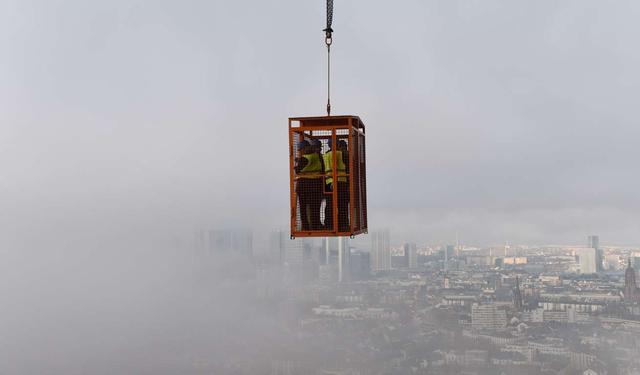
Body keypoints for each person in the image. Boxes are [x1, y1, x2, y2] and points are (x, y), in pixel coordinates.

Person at [294, 140, 323, 231]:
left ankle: (306, 227)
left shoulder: (305, 158)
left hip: (304, 186)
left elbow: (297, 170)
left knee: (303, 208)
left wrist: (296, 163)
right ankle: (315, 225)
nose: (299, 151)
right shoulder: (317, 156)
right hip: (316, 185)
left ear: (304, 148)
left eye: (299, 149)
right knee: (314, 207)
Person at [323, 139, 350, 232]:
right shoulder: (342, 154)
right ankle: (343, 225)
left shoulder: (325, 155)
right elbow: (347, 165)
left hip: (328, 182)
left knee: (330, 205)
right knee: (342, 204)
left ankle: (329, 225)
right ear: (337, 144)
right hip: (341, 181)